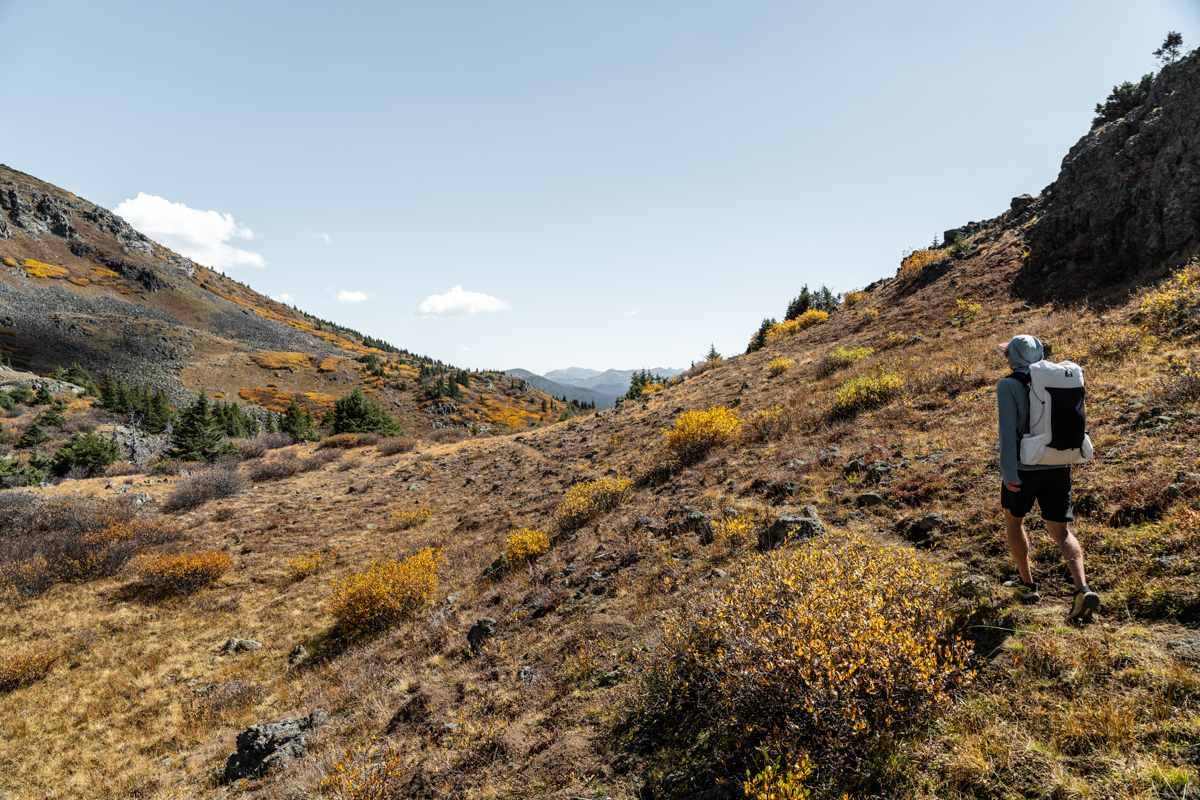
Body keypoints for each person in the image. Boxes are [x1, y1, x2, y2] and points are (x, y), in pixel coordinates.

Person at [997, 334, 1100, 622]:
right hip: (1059, 463)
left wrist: (1009, 473)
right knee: (1061, 531)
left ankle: (1027, 585)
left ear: (1013, 356)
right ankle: (1082, 588)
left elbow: (1008, 433)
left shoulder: (1008, 385)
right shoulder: (1058, 379)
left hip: (1024, 469)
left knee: (1014, 522)